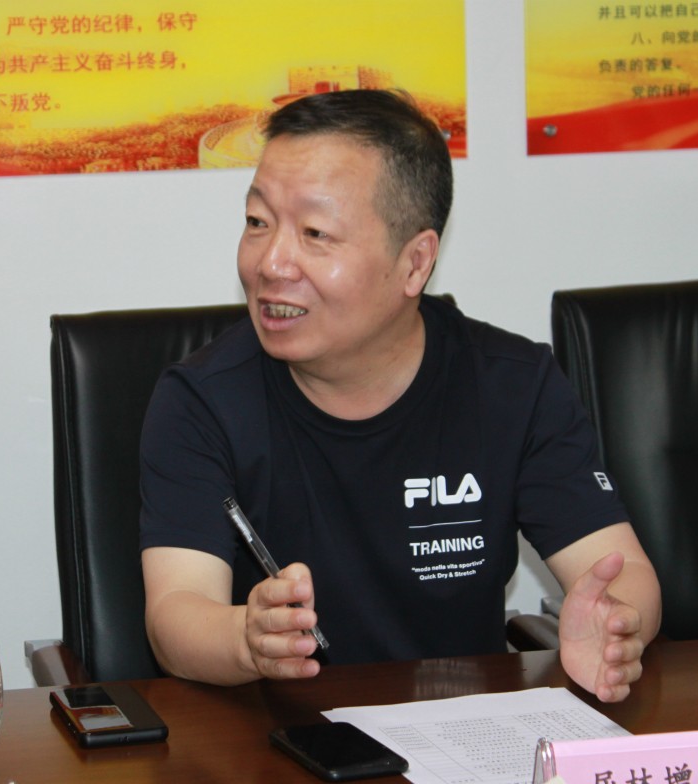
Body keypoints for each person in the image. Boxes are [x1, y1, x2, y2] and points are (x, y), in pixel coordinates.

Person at [140, 89, 661, 702]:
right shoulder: (201, 400)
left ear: (415, 263)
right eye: (258, 222)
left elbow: (622, 569)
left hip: (464, 729)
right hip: (281, 734)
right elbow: (176, 611)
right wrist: (245, 639)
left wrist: (618, 623)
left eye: (315, 233)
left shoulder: (513, 386)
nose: (272, 262)